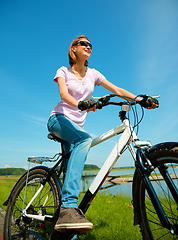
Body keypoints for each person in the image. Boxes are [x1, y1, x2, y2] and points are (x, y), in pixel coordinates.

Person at [47, 35, 158, 234]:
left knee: (71, 165)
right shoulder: (63, 71)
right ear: (73, 49)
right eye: (83, 43)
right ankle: (68, 207)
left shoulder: (94, 74)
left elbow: (116, 89)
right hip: (59, 119)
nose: (88, 46)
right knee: (85, 139)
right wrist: (80, 104)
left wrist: (140, 99)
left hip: (76, 127)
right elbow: (64, 95)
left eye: (90, 44)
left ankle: (66, 227)